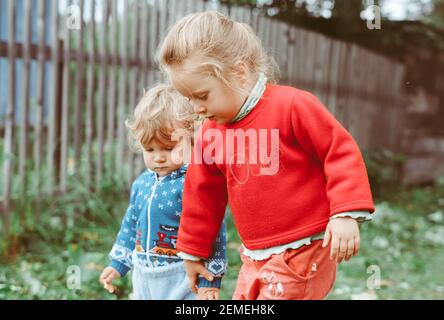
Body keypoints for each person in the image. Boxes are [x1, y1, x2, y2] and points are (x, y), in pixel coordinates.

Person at [157, 11, 375, 300]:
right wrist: (193, 252)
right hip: (255, 254)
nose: (196, 108)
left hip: (304, 247)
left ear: (239, 71)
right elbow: (201, 195)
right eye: (189, 99)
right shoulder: (210, 134)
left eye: (202, 95)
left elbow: (339, 151)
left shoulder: (292, 106)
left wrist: (345, 213)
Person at [99, 84, 227, 300]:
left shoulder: (194, 183)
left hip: (182, 275)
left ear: (191, 139)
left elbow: (212, 230)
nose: (158, 157)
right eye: (150, 149)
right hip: (143, 275)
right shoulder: (141, 184)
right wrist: (119, 263)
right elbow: (131, 225)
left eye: (169, 148)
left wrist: (210, 280)